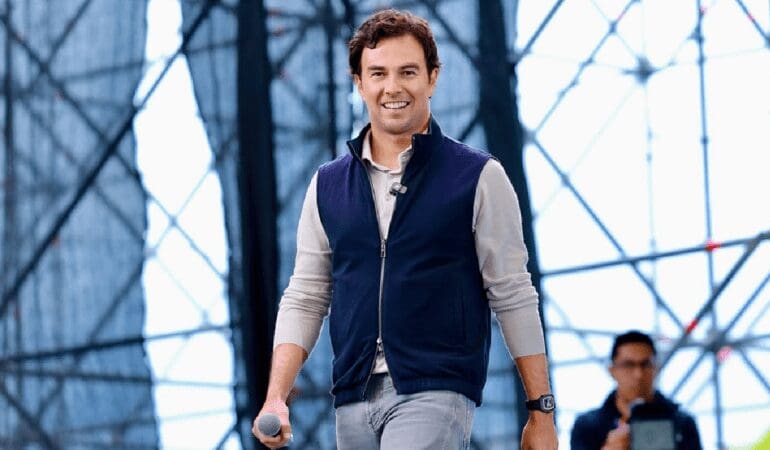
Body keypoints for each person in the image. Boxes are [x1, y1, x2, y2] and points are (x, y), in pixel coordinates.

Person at [252, 8, 557, 450]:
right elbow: (306, 294)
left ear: (432, 78)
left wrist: (541, 409)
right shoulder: (327, 185)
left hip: (435, 388)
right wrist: (276, 397)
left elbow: (512, 292)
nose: (392, 87)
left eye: (408, 72)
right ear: (359, 83)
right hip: (353, 395)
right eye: (378, 73)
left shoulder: (478, 177)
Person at [571, 331, 702, 450]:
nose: (638, 374)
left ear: (655, 369)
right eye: (628, 365)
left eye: (645, 364)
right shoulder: (588, 426)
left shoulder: (683, 423)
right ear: (612, 371)